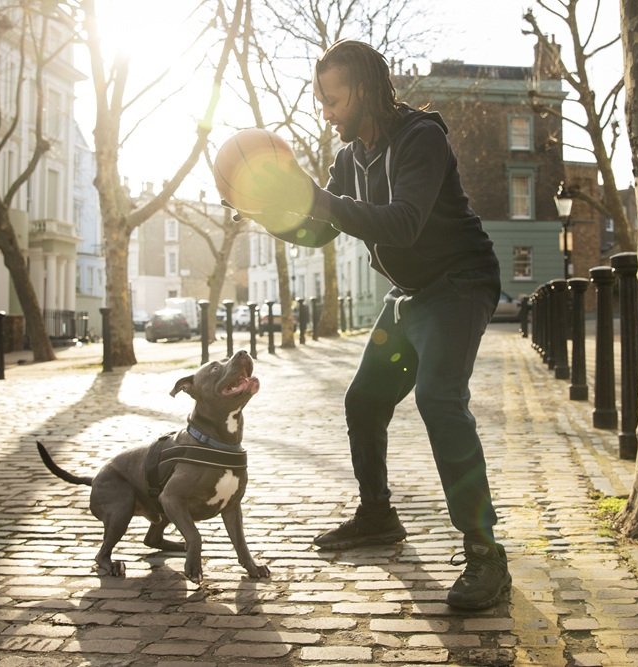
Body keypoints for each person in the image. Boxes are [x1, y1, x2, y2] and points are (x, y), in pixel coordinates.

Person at [231, 39, 510, 610]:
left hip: (460, 283)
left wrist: (316, 197)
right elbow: (324, 230)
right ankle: (378, 515)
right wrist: (269, 213)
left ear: (362, 90)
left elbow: (402, 224)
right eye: (322, 101)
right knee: (364, 402)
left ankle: (485, 552)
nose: (326, 112)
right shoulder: (347, 157)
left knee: (438, 399)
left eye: (332, 100)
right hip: (411, 294)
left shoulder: (421, 138)